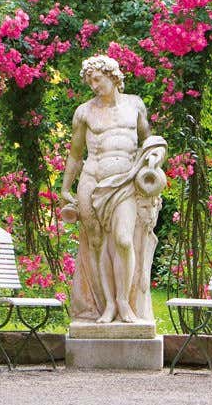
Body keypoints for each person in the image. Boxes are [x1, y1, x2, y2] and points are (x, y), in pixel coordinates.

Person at [60, 55, 167, 324]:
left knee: (123, 240)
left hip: (125, 182)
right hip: (92, 180)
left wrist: (155, 157)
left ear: (112, 76)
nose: (94, 86)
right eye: (90, 82)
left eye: (97, 79)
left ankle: (123, 302)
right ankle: (107, 305)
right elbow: (76, 154)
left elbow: (149, 141)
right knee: (96, 244)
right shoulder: (84, 112)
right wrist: (65, 187)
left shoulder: (134, 105)